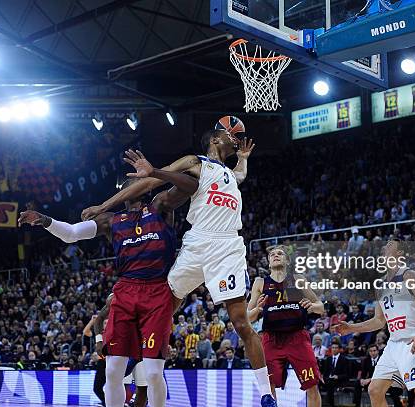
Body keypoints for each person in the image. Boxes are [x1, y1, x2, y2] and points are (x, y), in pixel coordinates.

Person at [81, 123, 277, 406]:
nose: (236, 139)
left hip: (227, 247)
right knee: (162, 306)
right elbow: (149, 181)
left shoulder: (229, 175)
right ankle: (136, 361)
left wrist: (244, 159)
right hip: (198, 243)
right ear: (214, 137)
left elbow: (239, 176)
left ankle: (266, 394)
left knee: (240, 321)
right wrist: (103, 206)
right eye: (232, 134)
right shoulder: (195, 162)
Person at [18, 166, 197, 407]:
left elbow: (190, 185)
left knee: (154, 373)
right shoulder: (110, 220)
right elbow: (71, 233)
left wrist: (156, 174)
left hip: (157, 291)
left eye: (140, 182)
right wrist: (45, 220)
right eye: (131, 182)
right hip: (126, 291)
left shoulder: (159, 205)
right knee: (113, 371)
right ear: (122, 194)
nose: (136, 184)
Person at [334, 239, 415, 407]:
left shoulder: (408, 275)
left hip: (414, 341)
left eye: (390, 244)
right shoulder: (381, 285)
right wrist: (351, 327)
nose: (385, 246)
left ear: (400, 253)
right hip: (393, 345)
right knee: (374, 390)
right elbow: (379, 321)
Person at [247, 245, 324, 406]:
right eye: (272, 254)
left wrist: (311, 305)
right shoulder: (260, 283)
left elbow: (320, 307)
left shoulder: (298, 279)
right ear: (268, 263)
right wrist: (258, 309)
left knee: (312, 384)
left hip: (298, 337)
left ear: (287, 261)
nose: (276, 255)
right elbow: (248, 317)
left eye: (280, 253)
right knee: (269, 387)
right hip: (271, 339)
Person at [321, 343, 350, 407]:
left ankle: (331, 405)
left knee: (330, 383)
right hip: (328, 379)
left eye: (336, 348)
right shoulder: (328, 359)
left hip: (339, 380)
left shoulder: (344, 360)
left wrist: (337, 376)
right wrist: (323, 378)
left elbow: (347, 374)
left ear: (339, 349)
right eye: (333, 348)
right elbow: (325, 372)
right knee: (317, 382)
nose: (334, 349)